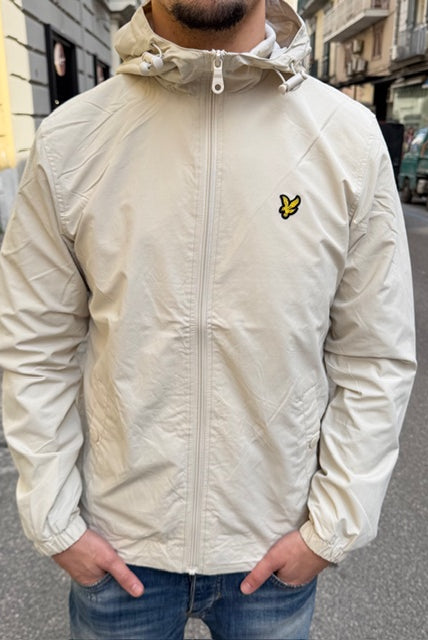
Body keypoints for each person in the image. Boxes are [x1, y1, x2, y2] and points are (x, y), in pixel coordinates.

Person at [0, 1, 416, 638]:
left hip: (274, 549)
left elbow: (375, 355)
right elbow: (35, 345)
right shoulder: (71, 140)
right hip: (120, 548)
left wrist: (331, 529)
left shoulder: (348, 139)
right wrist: (57, 525)